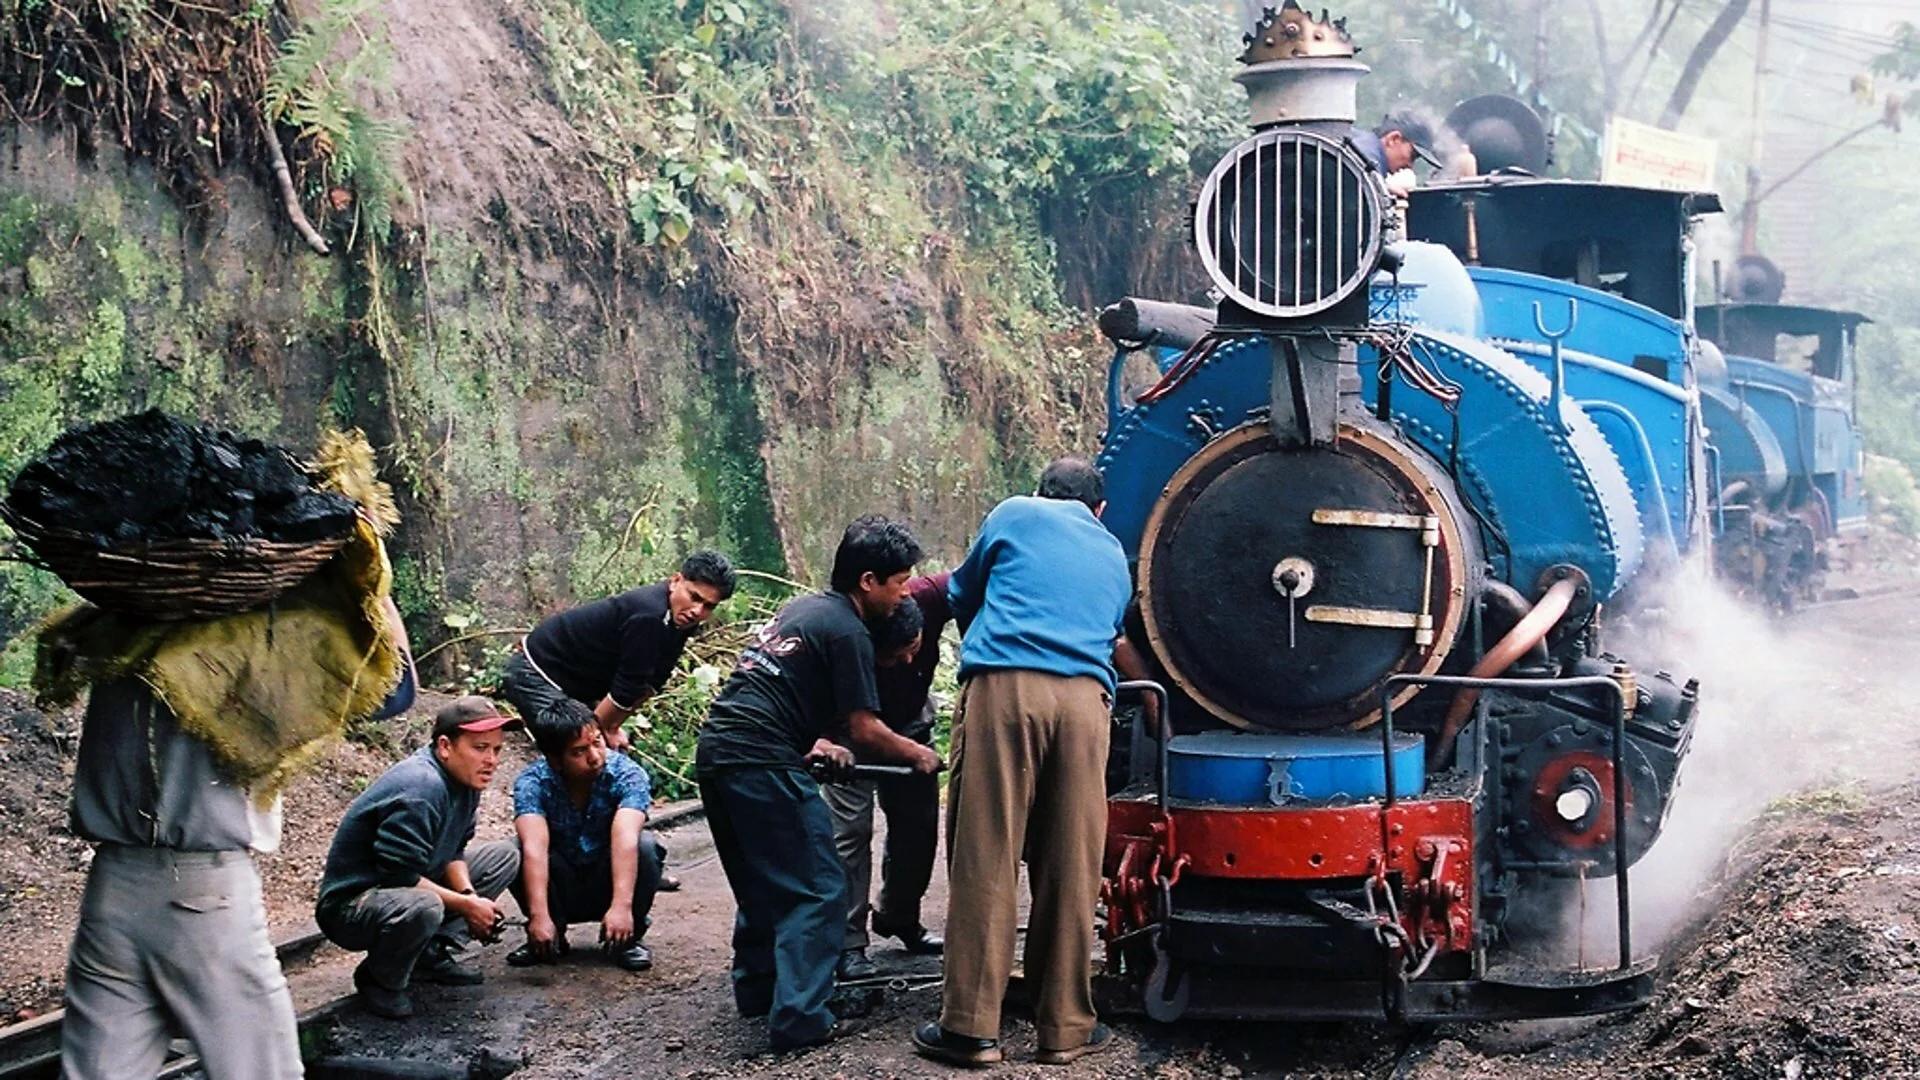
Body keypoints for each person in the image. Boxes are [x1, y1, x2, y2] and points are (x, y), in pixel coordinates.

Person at [59, 597, 415, 1080]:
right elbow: (393, 688)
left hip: (112, 887)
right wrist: (373, 586)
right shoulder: (253, 644)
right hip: (203, 895)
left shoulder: (118, 623)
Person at [912, 458, 1135, 1068]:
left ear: (1041, 492)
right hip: (1088, 703)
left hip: (1008, 688)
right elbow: (1111, 629)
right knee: (1071, 862)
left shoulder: (1015, 512)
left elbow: (962, 594)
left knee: (988, 851)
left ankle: (970, 1029)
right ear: (1098, 510)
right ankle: (1065, 1028)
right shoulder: (1113, 552)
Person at [696, 515, 945, 1052]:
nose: (906, 592)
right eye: (900, 582)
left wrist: (813, 743)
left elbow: (774, 688)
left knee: (764, 879)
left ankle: (759, 992)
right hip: (761, 758)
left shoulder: (802, 610)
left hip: (719, 750)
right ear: (868, 582)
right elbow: (865, 728)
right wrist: (919, 754)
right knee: (818, 886)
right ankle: (802, 1021)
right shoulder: (848, 630)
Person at [316, 696, 523, 1020]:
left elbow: (454, 852)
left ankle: (429, 954)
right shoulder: (422, 786)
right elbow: (400, 876)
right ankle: (379, 979)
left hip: (405, 884)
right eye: (480, 748)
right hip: (351, 905)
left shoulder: (466, 780)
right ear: (445, 746)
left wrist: (469, 896)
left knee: (503, 856)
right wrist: (468, 907)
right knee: (425, 905)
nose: (491, 760)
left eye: (497, 750)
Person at [827, 574, 951, 982]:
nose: (908, 662)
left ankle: (899, 915)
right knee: (849, 833)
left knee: (918, 827)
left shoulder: (932, 596)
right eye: (895, 658)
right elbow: (859, 725)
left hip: (912, 723)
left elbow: (982, 580)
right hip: (851, 730)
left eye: (914, 648)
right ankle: (849, 943)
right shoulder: (843, 634)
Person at [501, 549, 738, 752]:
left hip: (578, 687)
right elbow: (628, 685)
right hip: (535, 674)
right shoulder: (649, 614)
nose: (697, 611)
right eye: (694, 597)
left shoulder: (683, 620)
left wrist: (611, 726)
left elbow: (652, 681)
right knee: (577, 751)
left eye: (709, 606)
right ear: (676, 580)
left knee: (602, 751)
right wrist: (602, 731)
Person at [506, 697, 667, 972]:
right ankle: (549, 937)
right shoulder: (532, 783)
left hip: (609, 877)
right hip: (562, 880)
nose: (594, 757)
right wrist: (539, 915)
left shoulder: (628, 774)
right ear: (554, 759)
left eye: (597, 742)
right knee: (515, 850)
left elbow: (626, 837)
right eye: (579, 752)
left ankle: (627, 939)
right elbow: (534, 847)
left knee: (645, 846)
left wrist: (621, 907)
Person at [1350, 111, 1442, 196]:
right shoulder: (1368, 159)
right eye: (1412, 156)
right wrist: (1381, 191)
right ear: (1393, 139)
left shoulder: (1359, 140)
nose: (1410, 166)